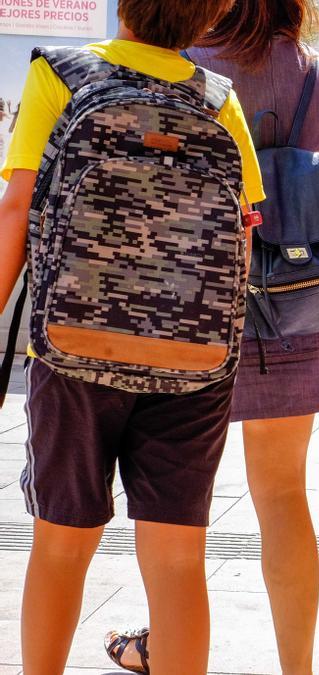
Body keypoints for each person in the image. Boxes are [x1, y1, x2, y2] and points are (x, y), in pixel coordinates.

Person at [0, 0, 265, 672]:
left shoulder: (61, 75)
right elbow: (242, 232)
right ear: (211, 19)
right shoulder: (220, 101)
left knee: (60, 543)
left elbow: (16, 207)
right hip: (194, 358)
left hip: (73, 347)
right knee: (177, 559)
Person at [103, 1, 319, 673]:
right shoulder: (312, 75)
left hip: (192, 297)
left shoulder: (178, 57)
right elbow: (308, 182)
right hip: (290, 303)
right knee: (283, 493)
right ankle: (296, 667)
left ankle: (166, 644)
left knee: (174, 499)